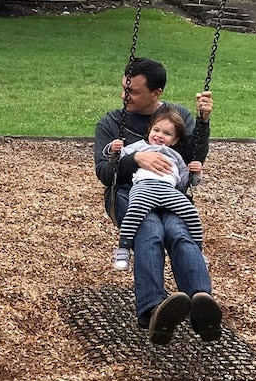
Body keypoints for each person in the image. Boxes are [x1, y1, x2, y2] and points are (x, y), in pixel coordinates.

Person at [93, 57, 222, 346]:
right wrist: (134, 157)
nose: (125, 96)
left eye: (134, 92)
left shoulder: (179, 118)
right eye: (125, 89)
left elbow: (193, 159)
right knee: (150, 230)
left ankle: (203, 307)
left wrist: (203, 122)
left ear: (157, 93)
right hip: (128, 193)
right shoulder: (113, 121)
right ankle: (152, 310)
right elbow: (104, 172)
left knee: (179, 233)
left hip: (171, 195)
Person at [104, 108, 204, 271]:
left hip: (168, 191)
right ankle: (123, 250)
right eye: (156, 130)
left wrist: (196, 172)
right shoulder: (139, 147)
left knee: (191, 214)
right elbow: (119, 159)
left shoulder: (175, 156)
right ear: (149, 130)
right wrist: (113, 149)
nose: (159, 135)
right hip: (143, 187)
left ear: (175, 139)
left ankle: (198, 252)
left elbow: (185, 182)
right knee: (134, 212)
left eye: (167, 133)